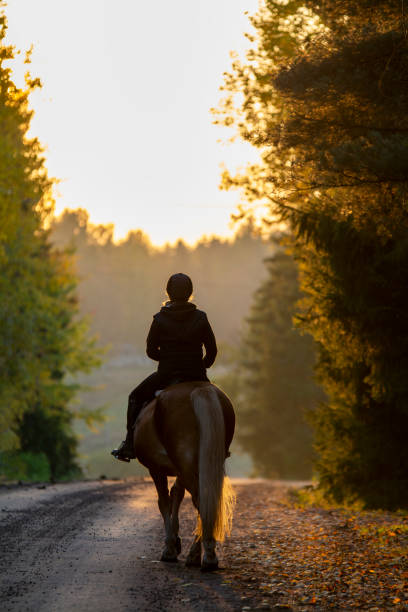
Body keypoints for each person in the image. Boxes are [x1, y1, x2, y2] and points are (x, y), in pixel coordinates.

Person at [111, 272, 217, 462]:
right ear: (190, 292)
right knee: (216, 405)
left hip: (166, 374)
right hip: (196, 374)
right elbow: (212, 351)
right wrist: (200, 366)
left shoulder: (159, 319)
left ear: (168, 292)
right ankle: (220, 446)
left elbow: (151, 351)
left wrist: (167, 359)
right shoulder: (201, 318)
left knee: (135, 397)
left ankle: (129, 444)